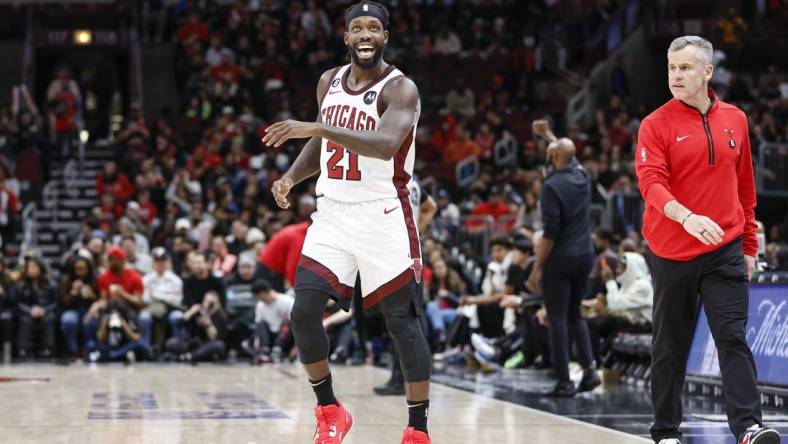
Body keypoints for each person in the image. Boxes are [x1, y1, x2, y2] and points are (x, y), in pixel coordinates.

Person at [261, 2, 431, 443]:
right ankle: (330, 410)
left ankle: (418, 429)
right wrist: (290, 178)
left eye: (374, 28)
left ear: (385, 37)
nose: (365, 34)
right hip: (332, 213)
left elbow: (383, 144)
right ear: (347, 37)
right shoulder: (329, 81)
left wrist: (318, 129)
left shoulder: (402, 89)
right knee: (303, 313)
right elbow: (321, 146)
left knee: (402, 324)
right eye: (357, 28)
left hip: (383, 215)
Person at [636, 35, 779, 444]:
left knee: (733, 338)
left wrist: (749, 247)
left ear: (707, 72)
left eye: (684, 68)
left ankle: (749, 428)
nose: (676, 76)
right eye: (671, 68)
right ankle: (665, 431)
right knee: (669, 347)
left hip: (725, 249)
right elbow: (650, 183)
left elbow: (746, 188)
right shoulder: (655, 124)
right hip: (672, 250)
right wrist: (686, 216)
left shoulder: (735, 119)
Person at [527, 119, 600, 397]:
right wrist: (548, 134)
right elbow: (566, 154)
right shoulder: (582, 176)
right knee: (575, 315)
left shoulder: (550, 186)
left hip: (560, 258)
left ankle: (564, 381)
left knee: (557, 318)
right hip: (584, 255)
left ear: (553, 157)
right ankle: (589, 371)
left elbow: (550, 233)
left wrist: (536, 268)